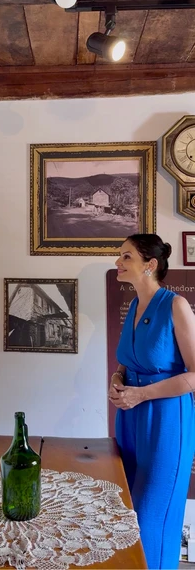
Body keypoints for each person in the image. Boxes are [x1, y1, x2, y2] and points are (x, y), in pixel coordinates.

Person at [109, 234, 195, 569]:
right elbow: (126, 362)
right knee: (129, 514)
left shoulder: (175, 305)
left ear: (150, 265)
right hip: (130, 422)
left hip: (165, 421)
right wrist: (117, 380)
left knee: (150, 519)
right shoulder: (133, 305)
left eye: (126, 256)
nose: (118, 262)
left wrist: (141, 393)